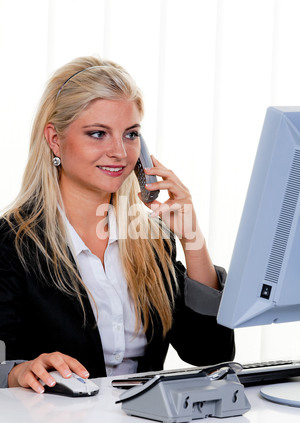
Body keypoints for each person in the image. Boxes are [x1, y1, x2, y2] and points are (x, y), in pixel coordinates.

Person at [0, 56, 234, 392]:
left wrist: (192, 240)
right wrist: (19, 372)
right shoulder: (13, 243)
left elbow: (211, 354)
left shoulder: (151, 240)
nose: (120, 153)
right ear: (54, 139)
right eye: (98, 134)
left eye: (130, 135)